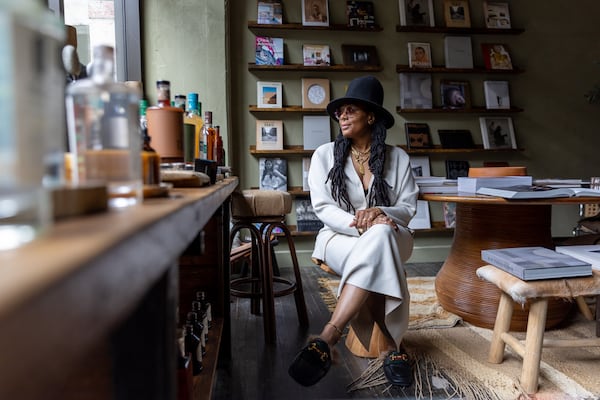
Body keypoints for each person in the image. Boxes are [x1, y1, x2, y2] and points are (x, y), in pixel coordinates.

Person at [288, 76, 418, 387]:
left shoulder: (398, 157)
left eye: (350, 110)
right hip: (338, 238)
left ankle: (329, 334)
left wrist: (381, 213)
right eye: (339, 112)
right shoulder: (324, 156)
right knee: (378, 244)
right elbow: (323, 208)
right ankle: (390, 345)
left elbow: (408, 208)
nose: (342, 116)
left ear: (371, 116)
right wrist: (364, 224)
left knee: (383, 237)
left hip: (393, 235)